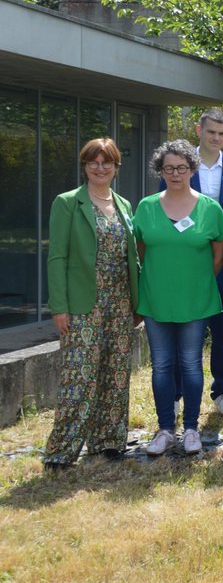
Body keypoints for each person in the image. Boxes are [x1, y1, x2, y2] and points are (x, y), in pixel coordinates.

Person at [43, 139, 140, 469]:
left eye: (106, 162)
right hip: (83, 303)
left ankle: (109, 442)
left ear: (116, 166)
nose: (100, 168)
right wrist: (59, 306)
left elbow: (133, 257)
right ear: (84, 166)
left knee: (115, 373)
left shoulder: (125, 205)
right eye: (93, 162)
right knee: (79, 376)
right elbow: (57, 257)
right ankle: (62, 450)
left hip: (121, 301)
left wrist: (138, 302)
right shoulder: (68, 203)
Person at [135, 140, 223, 456]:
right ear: (160, 171)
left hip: (195, 300)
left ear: (192, 169)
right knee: (161, 365)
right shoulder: (146, 207)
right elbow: (142, 253)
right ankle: (164, 429)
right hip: (156, 299)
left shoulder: (210, 209)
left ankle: (190, 429)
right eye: (169, 168)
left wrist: (194, 281)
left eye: (182, 167)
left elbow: (218, 256)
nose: (175, 174)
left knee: (190, 363)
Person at [165, 108, 223, 422]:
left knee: (221, 329)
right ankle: (175, 395)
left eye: (222, 134)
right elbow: (164, 208)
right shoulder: (179, 166)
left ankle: (222, 392)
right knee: (182, 328)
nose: (216, 138)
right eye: (211, 132)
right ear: (200, 130)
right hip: (187, 261)